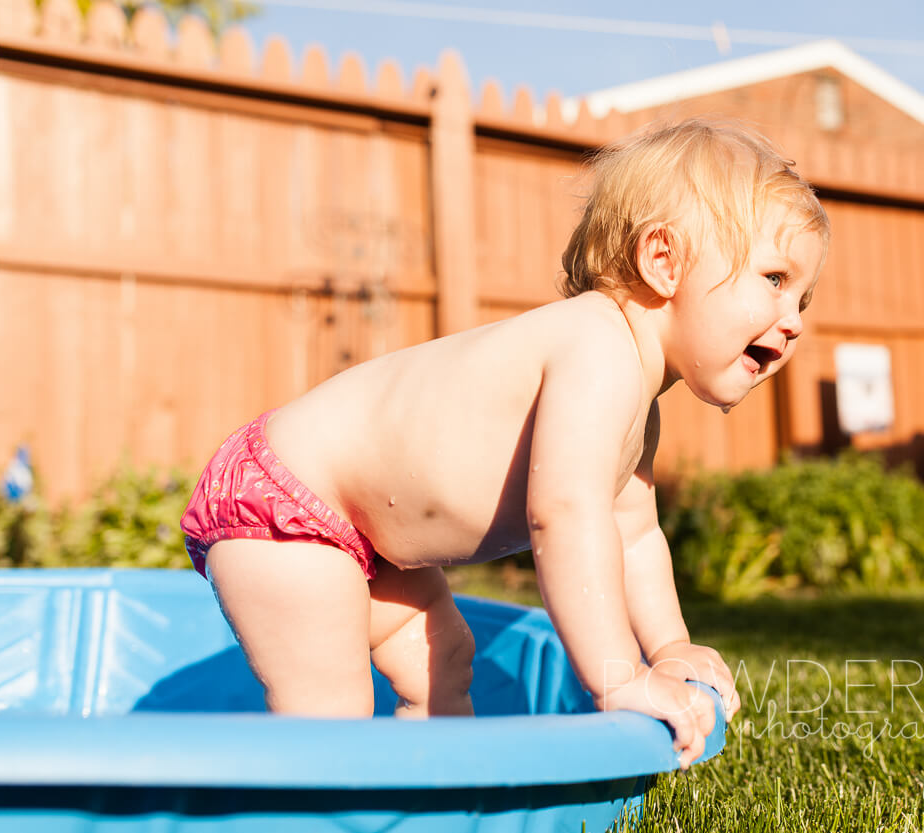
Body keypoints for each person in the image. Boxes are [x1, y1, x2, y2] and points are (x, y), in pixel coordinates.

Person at [180, 117, 829, 768]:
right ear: (663, 260)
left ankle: (433, 807)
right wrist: (618, 675)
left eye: (803, 295)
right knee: (330, 713)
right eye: (774, 279)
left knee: (444, 665)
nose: (795, 321)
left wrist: (669, 647)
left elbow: (633, 537)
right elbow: (567, 516)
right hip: (288, 497)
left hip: (365, 535)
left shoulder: (638, 403)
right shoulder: (597, 350)